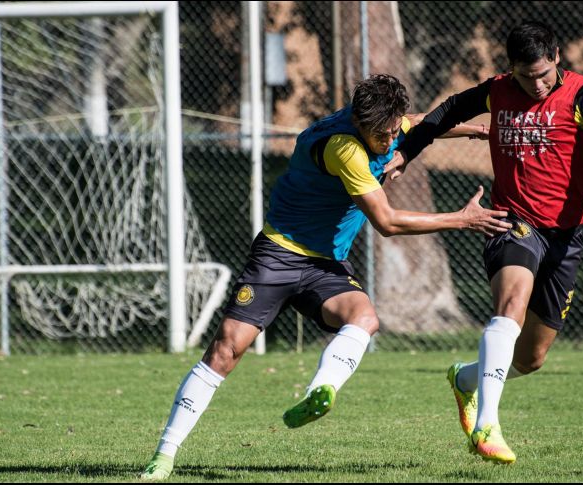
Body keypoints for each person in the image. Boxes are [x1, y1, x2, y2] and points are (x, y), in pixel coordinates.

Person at [140, 74, 511, 480]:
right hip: (279, 255)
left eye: (392, 133)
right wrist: (461, 219)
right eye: (382, 137)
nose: (389, 144)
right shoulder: (344, 148)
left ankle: (322, 390)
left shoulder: (378, 121)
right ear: (359, 122)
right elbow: (386, 222)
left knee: (365, 317)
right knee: (226, 351)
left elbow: (418, 122)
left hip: (325, 266)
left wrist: (472, 130)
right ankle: (164, 455)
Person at [386, 21, 583, 464]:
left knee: (531, 358)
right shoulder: (498, 90)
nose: (537, 84)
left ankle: (465, 379)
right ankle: (488, 424)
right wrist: (407, 153)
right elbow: (447, 110)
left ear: (558, 58)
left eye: (544, 74)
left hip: (566, 236)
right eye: (527, 76)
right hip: (512, 221)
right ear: (511, 69)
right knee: (510, 306)